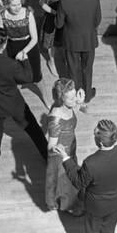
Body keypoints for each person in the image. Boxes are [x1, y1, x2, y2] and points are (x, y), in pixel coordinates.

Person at [0, 28, 48, 169]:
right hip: (15, 105)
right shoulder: (11, 65)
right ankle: (47, 157)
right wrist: (25, 61)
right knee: (34, 130)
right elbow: (28, 77)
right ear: (5, 44)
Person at [55, 0, 102, 103]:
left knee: (73, 69)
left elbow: (58, 24)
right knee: (87, 69)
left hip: (71, 41)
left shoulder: (64, 1)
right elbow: (97, 20)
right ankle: (86, 95)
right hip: (88, 40)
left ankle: (74, 95)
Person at [0, 0, 47, 107]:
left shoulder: (28, 14)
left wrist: (24, 52)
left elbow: (34, 39)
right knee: (15, 76)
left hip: (29, 47)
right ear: (7, 4)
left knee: (37, 76)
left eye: (19, 4)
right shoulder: (2, 15)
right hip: (12, 47)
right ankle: (16, 101)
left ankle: (46, 99)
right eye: (13, 5)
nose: (17, 7)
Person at [45, 78, 86, 214]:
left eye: (75, 96)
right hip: (61, 156)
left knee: (73, 177)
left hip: (71, 148)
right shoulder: (55, 118)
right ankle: (70, 206)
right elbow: (51, 145)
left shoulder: (68, 105)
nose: (74, 100)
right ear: (62, 98)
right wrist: (61, 152)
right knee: (65, 183)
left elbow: (86, 110)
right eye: (71, 98)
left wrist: (81, 101)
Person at [40, 0, 69, 75]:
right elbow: (41, 2)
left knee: (64, 37)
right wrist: (54, 13)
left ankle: (62, 55)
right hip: (54, 11)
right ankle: (51, 61)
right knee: (51, 39)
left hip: (65, 9)